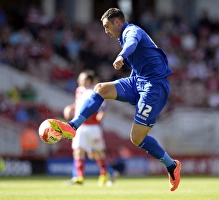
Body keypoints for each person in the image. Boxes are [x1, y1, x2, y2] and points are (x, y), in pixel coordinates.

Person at [48, 8, 181, 191]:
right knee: (101, 88)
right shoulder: (123, 36)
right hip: (138, 81)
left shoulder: (131, 31)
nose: (105, 30)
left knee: (136, 138)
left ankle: (171, 166)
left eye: (106, 26)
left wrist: (121, 56)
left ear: (117, 22)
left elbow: (132, 43)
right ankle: (72, 125)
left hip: (154, 86)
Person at [63, 70, 118, 186]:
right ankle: (79, 177)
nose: (78, 81)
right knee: (78, 150)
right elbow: (79, 104)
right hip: (80, 126)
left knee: (97, 153)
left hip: (93, 127)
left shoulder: (95, 91)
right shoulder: (79, 90)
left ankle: (106, 173)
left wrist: (101, 115)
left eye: (81, 79)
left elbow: (102, 107)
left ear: (88, 80)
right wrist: (71, 108)